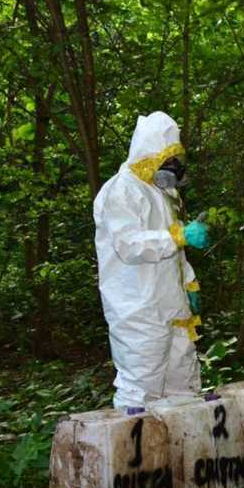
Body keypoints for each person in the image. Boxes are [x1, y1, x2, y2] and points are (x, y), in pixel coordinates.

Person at [93, 111, 210, 412]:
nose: (171, 167)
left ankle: (185, 453)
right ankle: (134, 457)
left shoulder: (163, 192)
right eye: (166, 158)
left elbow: (175, 249)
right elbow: (129, 245)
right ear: (148, 153)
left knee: (184, 386)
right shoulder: (120, 191)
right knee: (140, 391)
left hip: (171, 305)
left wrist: (189, 282)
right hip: (138, 309)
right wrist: (178, 236)